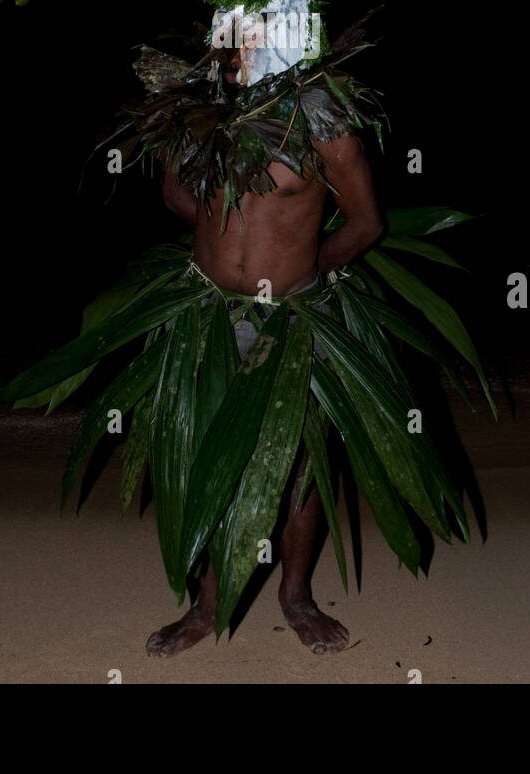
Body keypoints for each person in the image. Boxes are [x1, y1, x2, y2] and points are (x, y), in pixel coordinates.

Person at [146, 46, 384, 656]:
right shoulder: (199, 111)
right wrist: (223, 234)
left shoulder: (323, 121)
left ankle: (296, 596)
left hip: (292, 315)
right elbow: (175, 191)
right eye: (228, 32)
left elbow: (364, 224)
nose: (236, 48)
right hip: (207, 312)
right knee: (203, 448)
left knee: (299, 463)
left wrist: (303, 279)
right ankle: (205, 606)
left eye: (254, 30)